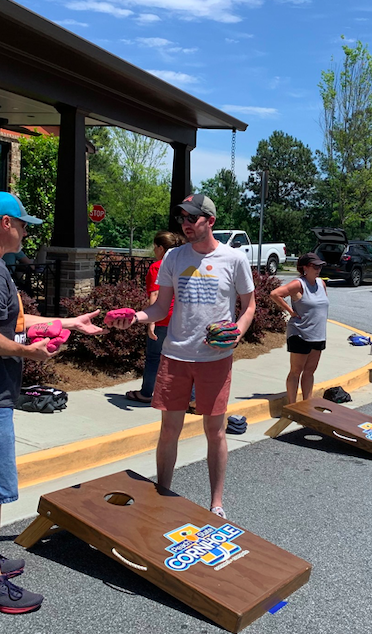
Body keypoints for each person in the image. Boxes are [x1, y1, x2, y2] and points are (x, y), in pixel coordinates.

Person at [0, 191, 104, 614]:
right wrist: (29, 353)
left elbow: (14, 322)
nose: (27, 231)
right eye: (23, 224)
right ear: (6, 223)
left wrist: (68, 323)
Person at [105, 193, 255, 520]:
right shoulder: (174, 257)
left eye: (193, 218)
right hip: (175, 356)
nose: (186, 224)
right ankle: (163, 492)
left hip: (215, 358)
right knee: (168, 431)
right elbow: (160, 308)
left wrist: (238, 330)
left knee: (215, 432)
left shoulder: (234, 259)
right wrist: (135, 318)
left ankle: (216, 504)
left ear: (210, 221)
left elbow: (250, 305)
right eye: (183, 219)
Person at [126, 231, 184, 403]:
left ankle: (146, 393)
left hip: (163, 317)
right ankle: (191, 397)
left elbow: (155, 294)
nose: (154, 251)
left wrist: (151, 322)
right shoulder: (181, 264)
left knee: (153, 357)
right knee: (183, 358)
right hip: (180, 318)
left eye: (154, 247)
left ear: (160, 248)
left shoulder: (157, 266)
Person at [270, 252, 329, 405]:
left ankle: (306, 406)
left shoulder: (321, 284)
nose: (318, 269)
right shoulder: (299, 284)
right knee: (296, 371)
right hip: (300, 334)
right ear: (305, 268)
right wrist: (291, 311)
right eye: (314, 266)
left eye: (320, 266)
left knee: (310, 372)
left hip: (318, 334)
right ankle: (292, 406)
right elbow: (275, 294)